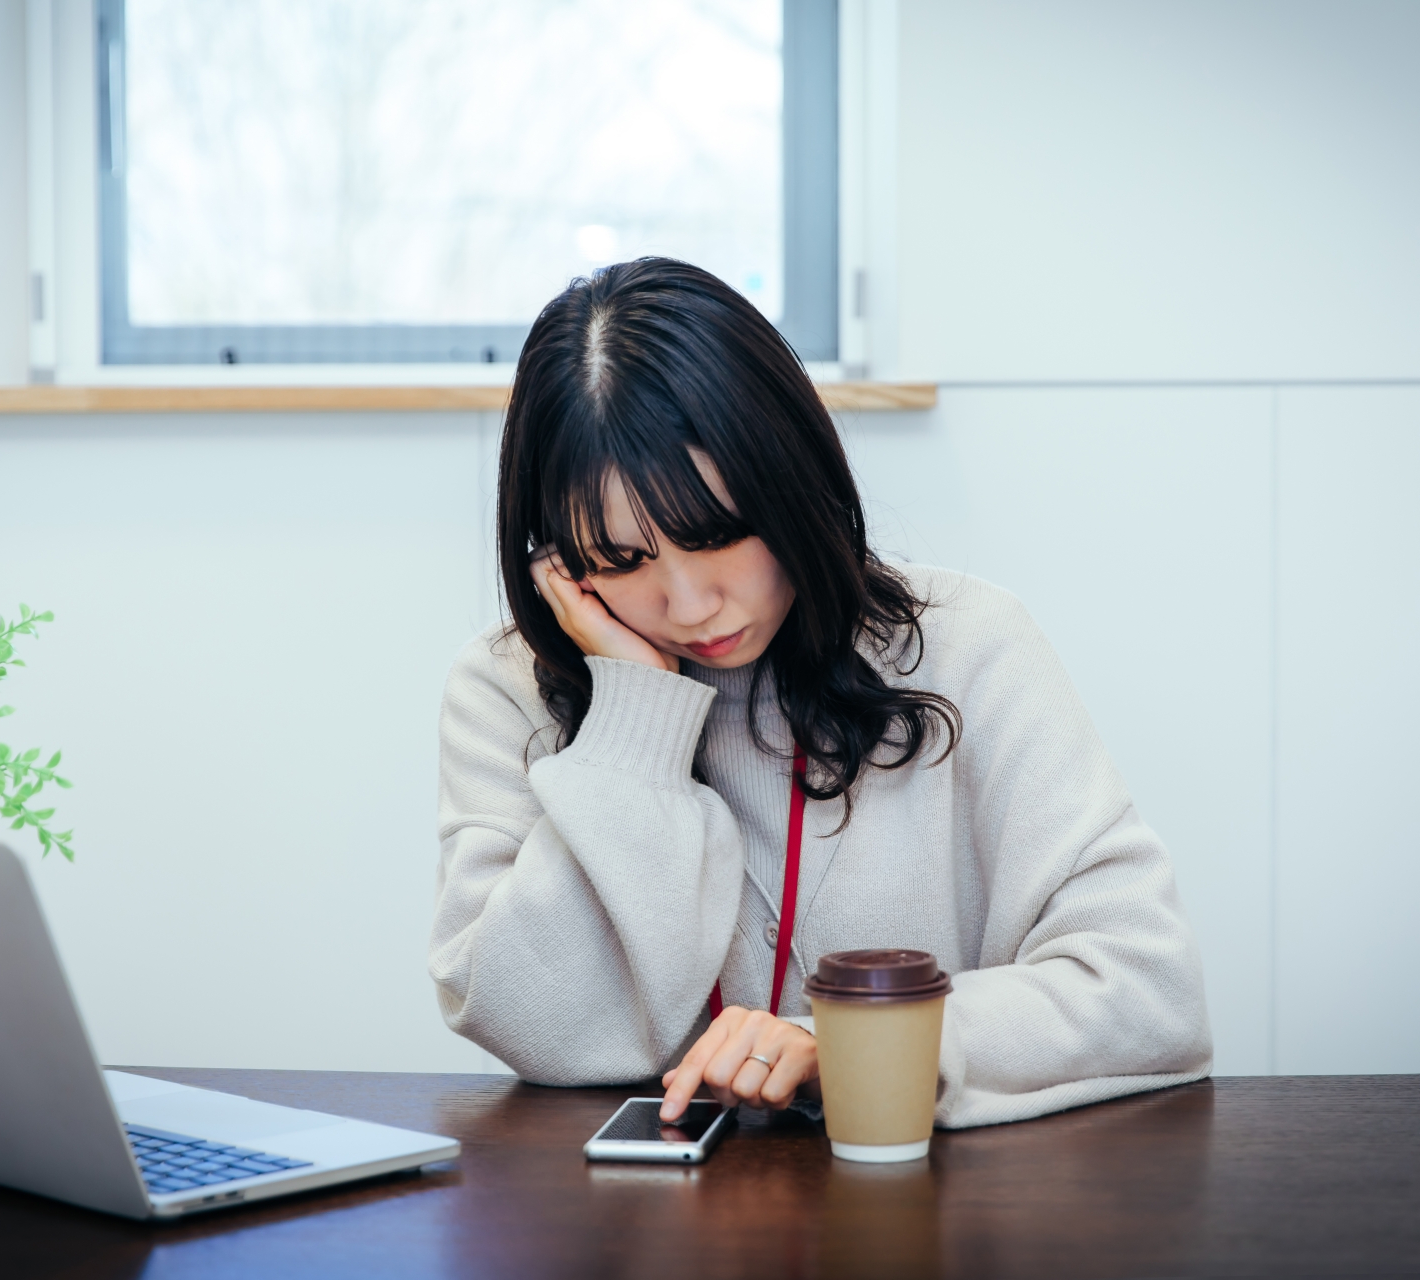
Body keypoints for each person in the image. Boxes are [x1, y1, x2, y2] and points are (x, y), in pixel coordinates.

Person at [430, 258, 1211, 1129]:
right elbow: (529, 1024)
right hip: (635, 1231)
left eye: (720, 534)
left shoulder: (969, 645)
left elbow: (1147, 991)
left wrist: (864, 1046)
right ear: (559, 563)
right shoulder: (505, 692)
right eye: (622, 561)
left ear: (791, 477)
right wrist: (632, 717)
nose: (691, 606)